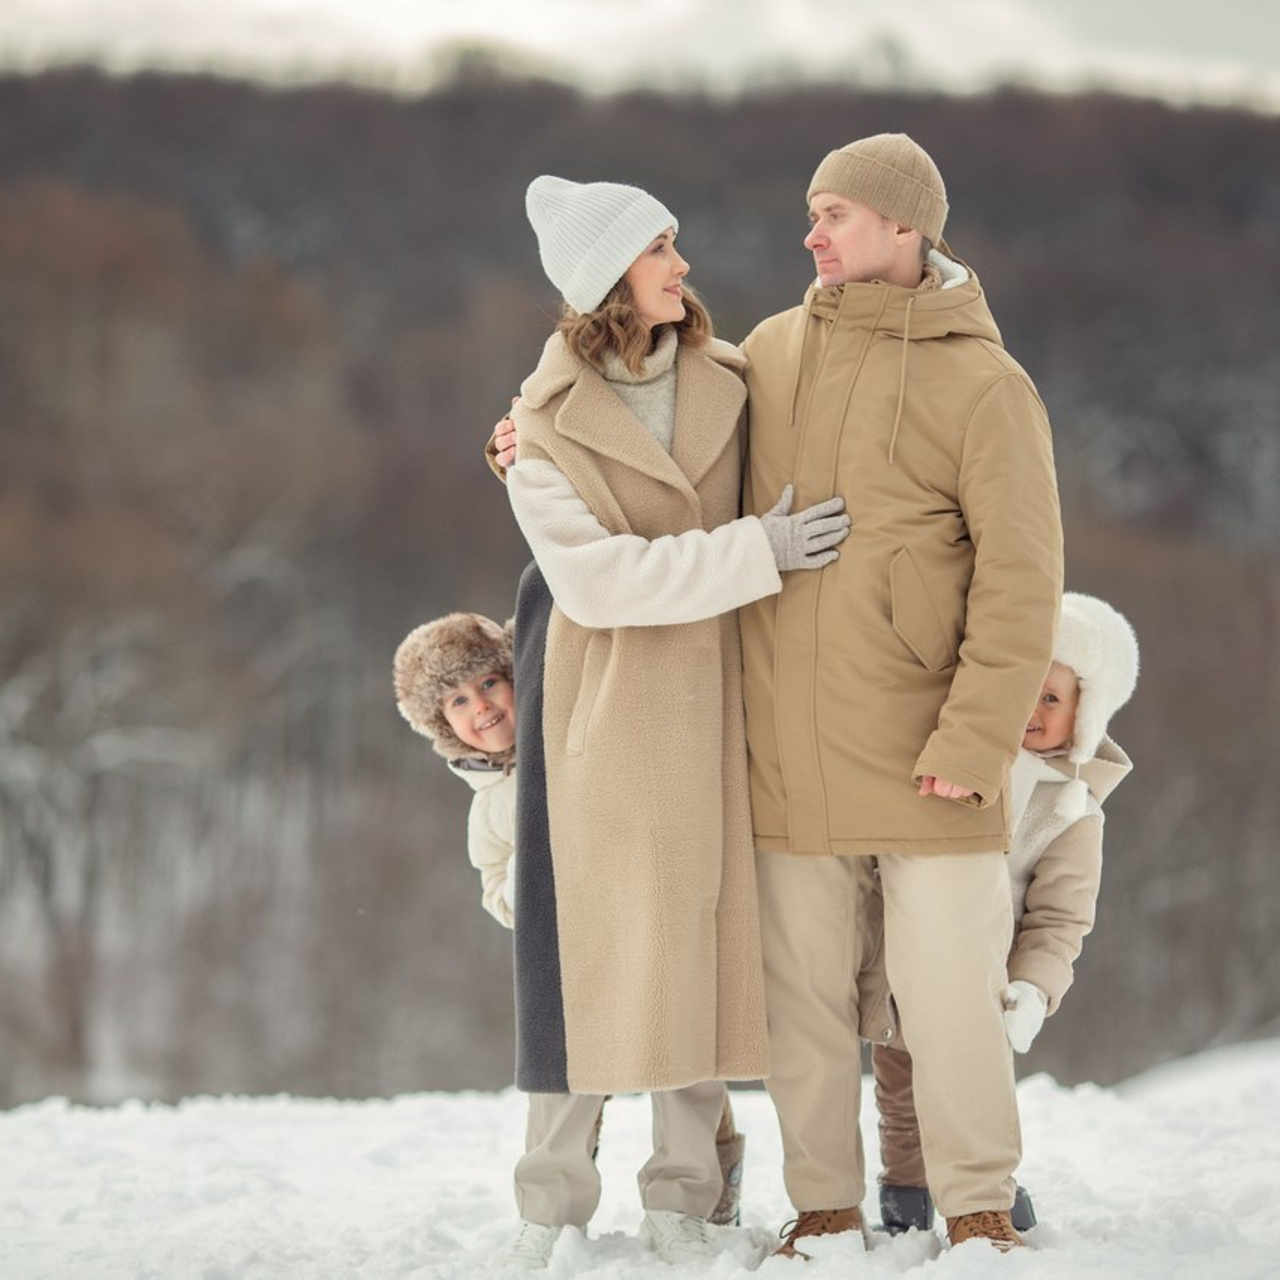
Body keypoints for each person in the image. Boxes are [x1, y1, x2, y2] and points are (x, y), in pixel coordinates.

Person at [493, 174, 851, 1267]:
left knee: (701, 942)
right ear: (609, 276)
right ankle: (548, 1205)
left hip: (725, 700)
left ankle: (685, 1196)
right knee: (590, 952)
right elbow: (596, 585)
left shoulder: (732, 379)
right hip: (602, 709)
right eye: (659, 248)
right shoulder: (539, 427)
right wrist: (756, 553)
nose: (682, 266)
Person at [736, 133, 1065, 1257]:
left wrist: (975, 741)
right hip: (787, 746)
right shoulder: (767, 354)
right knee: (804, 1008)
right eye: (810, 212)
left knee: (946, 1004)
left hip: (931, 752)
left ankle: (977, 1204)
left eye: (832, 213)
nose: (810, 233)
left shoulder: (985, 383)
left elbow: (1022, 585)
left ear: (903, 225)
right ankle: (823, 1207)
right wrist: (523, 445)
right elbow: (647, 430)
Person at [391, 609, 753, 1267]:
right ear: (443, 725)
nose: (482, 708)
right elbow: (495, 886)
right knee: (561, 1084)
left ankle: (687, 1199)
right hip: (566, 947)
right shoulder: (489, 803)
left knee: (683, 1052)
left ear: (517, 678)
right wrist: (531, 889)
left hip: (648, 907)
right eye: (459, 702)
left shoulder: (573, 738)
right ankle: (550, 1210)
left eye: (490, 685)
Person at [871, 591, 1139, 1236]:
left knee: (970, 1085)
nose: (1031, 709)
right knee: (900, 1083)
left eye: (1052, 698)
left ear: (1085, 711)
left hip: (986, 975)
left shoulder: (1071, 810)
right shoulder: (954, 765)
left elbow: (1060, 918)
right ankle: (905, 1190)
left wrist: (1033, 987)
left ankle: (987, 1185)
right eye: (1023, 690)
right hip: (906, 954)